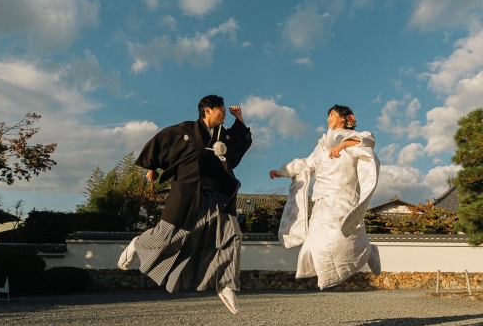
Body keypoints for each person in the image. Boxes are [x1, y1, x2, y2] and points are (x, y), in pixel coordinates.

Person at [118, 95, 252, 314]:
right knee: (170, 236)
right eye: (221, 109)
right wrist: (152, 166)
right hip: (189, 192)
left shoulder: (223, 135)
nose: (224, 113)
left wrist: (240, 119)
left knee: (232, 235)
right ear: (207, 110)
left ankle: (225, 284)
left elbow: (238, 150)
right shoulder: (185, 131)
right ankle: (138, 244)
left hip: (218, 195)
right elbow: (162, 142)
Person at [269, 104, 381, 290]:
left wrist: (344, 144)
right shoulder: (321, 146)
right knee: (317, 240)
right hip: (322, 198)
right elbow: (305, 163)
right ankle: (330, 274)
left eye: (332, 114)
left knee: (344, 233)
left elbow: (367, 142)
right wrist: (283, 172)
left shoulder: (352, 137)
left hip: (343, 195)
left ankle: (368, 251)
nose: (328, 118)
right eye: (328, 115)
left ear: (346, 118)